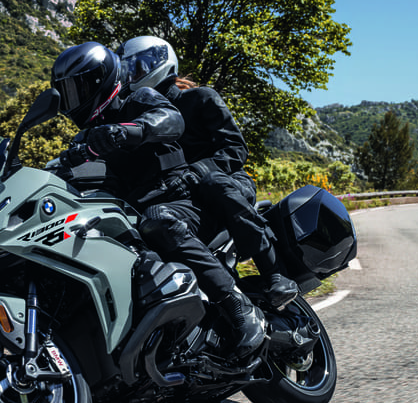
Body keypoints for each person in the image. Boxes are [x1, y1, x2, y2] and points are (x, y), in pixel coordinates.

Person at [50, 41, 265, 359]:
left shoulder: (138, 99)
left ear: (100, 80)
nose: (75, 99)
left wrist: (130, 131)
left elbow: (170, 119)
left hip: (182, 201)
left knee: (158, 220)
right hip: (136, 215)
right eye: (67, 92)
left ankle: (240, 307)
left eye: (79, 87)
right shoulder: (88, 136)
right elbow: (65, 170)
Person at [117, 36, 299, 308]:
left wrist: (196, 171)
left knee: (211, 181)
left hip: (229, 185)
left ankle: (275, 272)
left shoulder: (200, 98)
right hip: (186, 201)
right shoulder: (139, 121)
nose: (135, 74)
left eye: (141, 67)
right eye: (130, 70)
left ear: (161, 63)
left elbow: (236, 150)